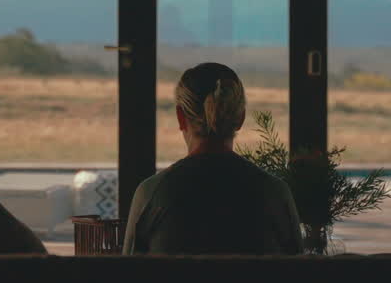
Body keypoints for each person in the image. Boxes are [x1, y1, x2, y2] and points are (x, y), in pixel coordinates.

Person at [122, 62, 303, 255]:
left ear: (180, 117)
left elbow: (129, 276)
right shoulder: (275, 193)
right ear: (240, 117)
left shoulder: (152, 194)